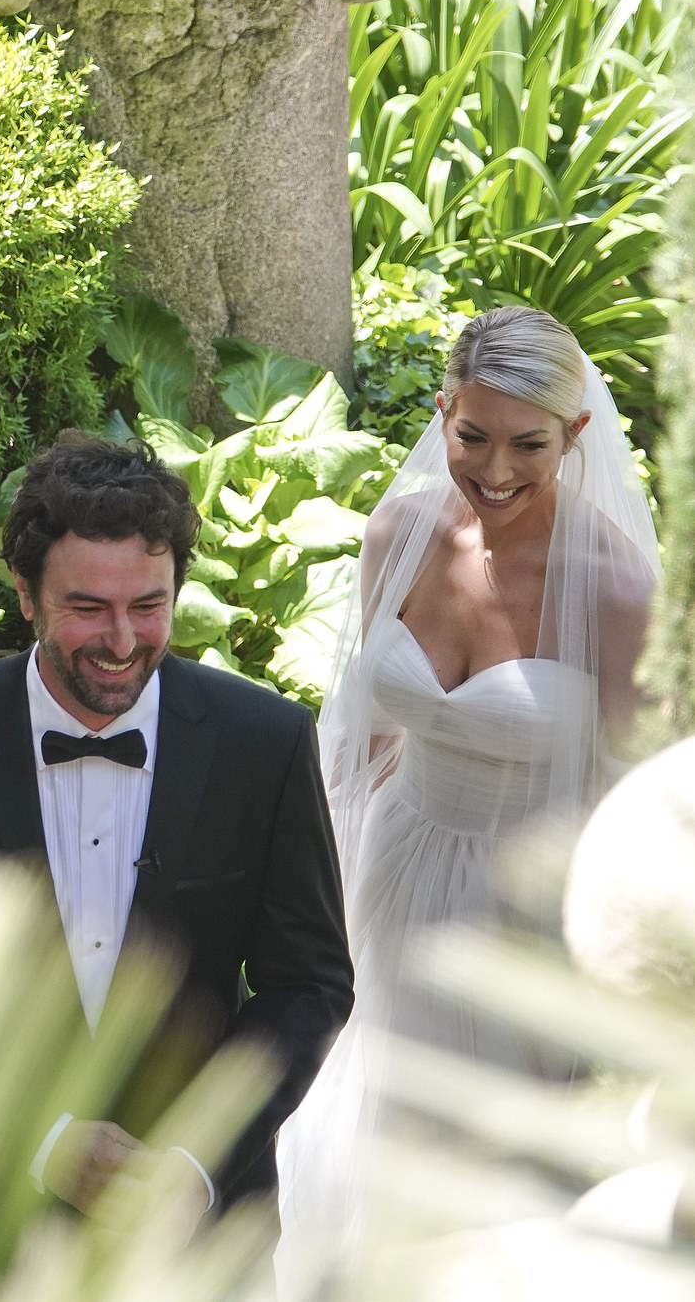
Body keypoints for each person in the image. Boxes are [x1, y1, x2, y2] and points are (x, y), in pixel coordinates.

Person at [276, 307, 661, 1286]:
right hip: (395, 871)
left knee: (492, 1175)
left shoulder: (615, 589)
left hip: (525, 910)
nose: (493, 471)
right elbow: (363, 733)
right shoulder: (395, 534)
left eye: (526, 444)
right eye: (470, 436)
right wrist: (317, 891)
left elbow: (637, 797)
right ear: (440, 412)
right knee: (368, 1129)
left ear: (574, 437)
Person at [0, 432, 354, 1235]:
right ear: (26, 593)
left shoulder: (262, 742)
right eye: (88, 608)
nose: (123, 643)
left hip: (202, 1231)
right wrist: (42, 1140)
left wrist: (197, 1158)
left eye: (149, 605)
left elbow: (307, 985)